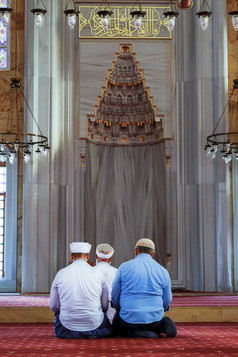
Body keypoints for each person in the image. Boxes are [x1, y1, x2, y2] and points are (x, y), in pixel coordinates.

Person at [111, 238, 177, 338]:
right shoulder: (163, 271)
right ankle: (159, 327)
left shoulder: (124, 267)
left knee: (117, 325)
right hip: (155, 320)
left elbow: (115, 293)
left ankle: (134, 333)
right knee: (159, 320)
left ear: (136, 250)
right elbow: (167, 299)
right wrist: (160, 309)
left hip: (128, 319)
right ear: (153, 253)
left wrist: (117, 306)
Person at [50, 242, 113, 339]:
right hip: (95, 326)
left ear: (71, 256)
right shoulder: (98, 274)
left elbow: (54, 306)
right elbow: (104, 305)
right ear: (88, 256)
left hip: (66, 328)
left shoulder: (61, 273)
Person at [94, 243, 118, 322]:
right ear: (110, 258)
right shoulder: (116, 272)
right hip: (113, 314)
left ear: (96, 256)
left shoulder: (90, 271)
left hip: (94, 313)